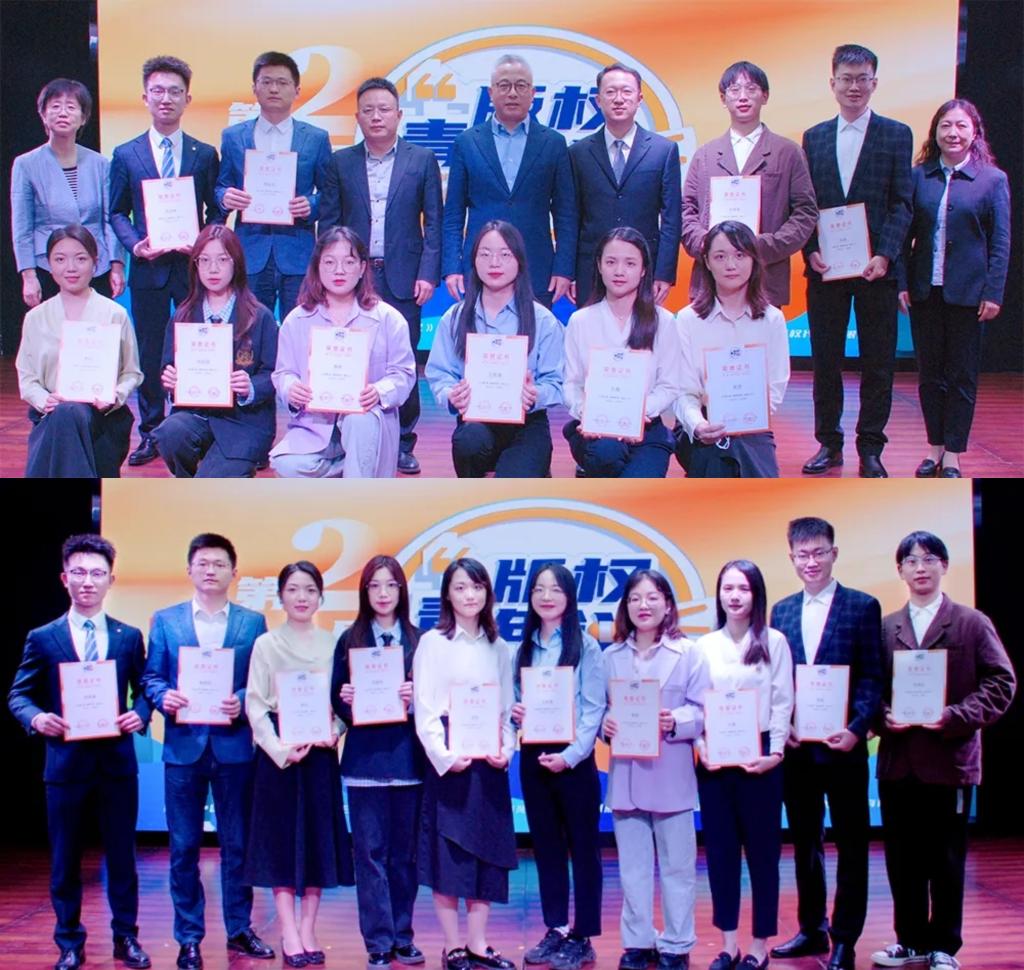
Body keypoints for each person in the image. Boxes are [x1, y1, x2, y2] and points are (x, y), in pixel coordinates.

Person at [872, 532, 1015, 970]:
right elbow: (869, 689)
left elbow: (1001, 683)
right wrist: (882, 715)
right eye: (911, 561)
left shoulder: (971, 623)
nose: (920, 568)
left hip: (948, 763)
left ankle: (944, 947)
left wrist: (954, 715)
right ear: (900, 570)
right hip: (898, 765)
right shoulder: (886, 627)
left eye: (929, 559)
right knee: (902, 860)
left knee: (946, 860)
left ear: (944, 566)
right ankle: (910, 940)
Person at [8, 534, 152, 970]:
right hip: (65, 764)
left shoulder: (129, 637)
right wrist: (36, 718)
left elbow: (146, 688)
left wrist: (140, 713)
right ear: (64, 578)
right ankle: (69, 941)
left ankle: (126, 937)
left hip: (116, 764)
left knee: (123, 857)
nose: (88, 581)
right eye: (79, 573)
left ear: (111, 580)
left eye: (97, 573)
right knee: (65, 859)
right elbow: (19, 694)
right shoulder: (43, 637)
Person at [140, 533, 275, 970]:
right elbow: (152, 677)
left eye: (219, 563)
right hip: (184, 749)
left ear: (234, 572)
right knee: (183, 848)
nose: (211, 570)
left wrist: (242, 698)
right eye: (203, 563)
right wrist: (164, 696)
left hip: (234, 748)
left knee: (238, 845)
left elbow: (262, 680)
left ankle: (239, 928)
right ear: (189, 570)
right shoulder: (166, 620)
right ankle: (189, 937)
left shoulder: (252, 623)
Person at [769, 518, 882, 970]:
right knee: (804, 842)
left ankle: (845, 938)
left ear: (834, 553)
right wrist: (784, 726)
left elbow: (872, 675)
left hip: (845, 748)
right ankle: (812, 927)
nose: (811, 561)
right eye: (803, 554)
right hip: (799, 751)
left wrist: (856, 728)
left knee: (852, 844)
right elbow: (777, 681)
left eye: (819, 552)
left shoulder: (862, 606)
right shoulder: (781, 611)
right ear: (791, 558)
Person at [319, 76, 443, 475]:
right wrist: (329, 273)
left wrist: (428, 274)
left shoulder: (421, 160)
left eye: (384, 109)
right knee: (347, 353)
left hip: (403, 274)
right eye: (368, 110)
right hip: (352, 276)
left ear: (398, 115)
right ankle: (340, 434)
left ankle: (403, 441)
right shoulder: (340, 162)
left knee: (401, 359)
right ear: (357, 117)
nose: (376, 116)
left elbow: (434, 223)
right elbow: (329, 222)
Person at [801, 44, 913, 479]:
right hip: (826, 269)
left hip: (877, 271)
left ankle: (871, 448)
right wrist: (810, 248)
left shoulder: (896, 134)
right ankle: (828, 444)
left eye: (862, 79)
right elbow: (805, 203)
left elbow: (902, 203)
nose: (854, 87)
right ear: (832, 84)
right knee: (825, 361)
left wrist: (885, 254)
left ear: (874, 83)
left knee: (878, 363)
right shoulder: (814, 137)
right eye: (846, 79)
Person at [109, 55, 221, 467]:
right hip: (149, 268)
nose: (166, 98)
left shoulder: (204, 154)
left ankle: (192, 425)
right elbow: (116, 211)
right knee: (152, 350)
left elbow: (217, 209)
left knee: (196, 347)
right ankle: (152, 431)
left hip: (194, 270)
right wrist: (135, 246)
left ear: (187, 98)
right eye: (158, 91)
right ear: (145, 97)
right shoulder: (126, 154)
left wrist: (205, 243)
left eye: (175, 91)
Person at [244, 561, 355, 967]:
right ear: (281, 596)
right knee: (281, 844)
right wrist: (278, 749)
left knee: (317, 842)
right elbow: (255, 704)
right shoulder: (266, 644)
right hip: (280, 757)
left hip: (320, 755)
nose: (302, 597)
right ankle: (289, 932)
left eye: (310, 589)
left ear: (321, 596)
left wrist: (336, 730)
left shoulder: (334, 643)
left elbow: (344, 700)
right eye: (293, 589)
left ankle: (308, 929)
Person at [601, 569, 711, 970]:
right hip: (626, 776)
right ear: (625, 607)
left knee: (678, 869)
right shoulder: (610, 657)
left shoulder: (689, 653)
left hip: (671, 774)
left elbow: (704, 711)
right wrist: (604, 725)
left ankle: (677, 945)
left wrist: (676, 720)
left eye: (652, 597)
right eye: (634, 598)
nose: (643, 605)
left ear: (667, 604)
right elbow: (599, 711)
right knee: (632, 870)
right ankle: (638, 942)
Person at [413, 558, 518, 970]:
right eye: (460, 587)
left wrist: (507, 749)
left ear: (487, 593)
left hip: (488, 763)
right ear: (447, 595)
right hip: (450, 762)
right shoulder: (432, 643)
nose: (469, 595)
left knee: (486, 854)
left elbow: (507, 709)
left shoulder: (499, 646)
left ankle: (478, 943)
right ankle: (453, 945)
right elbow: (424, 709)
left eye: (476, 587)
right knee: (448, 857)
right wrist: (443, 757)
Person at [897, 99, 1011, 479]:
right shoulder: (918, 177)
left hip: (969, 294)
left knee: (961, 377)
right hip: (925, 291)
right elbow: (904, 237)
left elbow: (1000, 242)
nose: (953, 133)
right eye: (946, 125)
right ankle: (934, 449)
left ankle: (953, 455)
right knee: (929, 375)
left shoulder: (992, 180)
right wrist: (901, 283)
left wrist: (993, 292)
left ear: (974, 132)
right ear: (935, 132)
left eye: (961, 126)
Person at [695, 560, 794, 970]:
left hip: (760, 759)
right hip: (715, 762)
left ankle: (758, 946)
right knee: (720, 855)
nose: (734, 596)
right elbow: (695, 703)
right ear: (718, 594)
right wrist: (700, 745)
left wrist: (775, 753)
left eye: (743, 588)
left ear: (757, 595)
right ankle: (728, 944)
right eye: (727, 588)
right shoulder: (704, 646)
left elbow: (782, 701)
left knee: (763, 856)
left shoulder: (774, 641)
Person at [331, 556, 426, 970]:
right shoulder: (348, 639)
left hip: (408, 761)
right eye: (374, 585)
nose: (383, 593)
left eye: (391, 585)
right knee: (369, 856)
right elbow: (335, 698)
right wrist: (346, 699)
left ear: (402, 591)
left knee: (404, 857)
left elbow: (435, 702)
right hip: (364, 763)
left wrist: (415, 697)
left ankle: (403, 936)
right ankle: (378, 941)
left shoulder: (420, 641)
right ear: (364, 591)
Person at [513, 564, 606, 970]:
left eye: (555, 589)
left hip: (575, 762)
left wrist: (569, 756)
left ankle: (582, 936)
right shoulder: (523, 649)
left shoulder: (587, 647)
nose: (546, 596)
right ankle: (556, 927)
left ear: (569, 597)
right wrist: (515, 712)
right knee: (546, 848)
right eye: (538, 589)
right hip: (533, 758)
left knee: (584, 849)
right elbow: (514, 703)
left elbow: (594, 709)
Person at [269, 226, 416, 477]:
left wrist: (379, 391)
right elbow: (284, 373)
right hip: (315, 427)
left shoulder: (388, 319)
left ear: (362, 268)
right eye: (329, 262)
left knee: (360, 419)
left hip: (368, 425)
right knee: (286, 466)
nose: (339, 270)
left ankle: (355, 489)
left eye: (349, 262)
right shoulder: (297, 320)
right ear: (317, 267)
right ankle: (346, 472)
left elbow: (404, 374)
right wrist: (291, 389)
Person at [426, 220, 564, 477]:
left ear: (519, 261)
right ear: (474, 261)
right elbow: (440, 374)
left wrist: (536, 394)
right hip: (475, 421)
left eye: (504, 255)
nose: (494, 263)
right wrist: (451, 394)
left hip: (527, 424)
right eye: (485, 254)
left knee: (514, 485)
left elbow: (557, 382)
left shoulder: (542, 319)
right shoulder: (454, 317)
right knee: (468, 441)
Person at [442, 54, 577, 309]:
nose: (512, 93)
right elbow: (453, 214)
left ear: (533, 93)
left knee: (535, 332)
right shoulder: (467, 142)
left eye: (521, 85)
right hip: (480, 268)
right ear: (491, 93)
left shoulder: (553, 143)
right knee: (479, 333)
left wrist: (564, 268)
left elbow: (566, 214)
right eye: (504, 85)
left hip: (537, 268)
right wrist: (452, 267)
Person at [681, 61, 817, 309]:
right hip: (710, 282)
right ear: (723, 98)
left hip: (766, 277)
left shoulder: (788, 152)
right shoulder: (705, 155)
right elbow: (686, 210)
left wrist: (766, 245)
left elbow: (806, 212)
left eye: (751, 88)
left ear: (765, 96)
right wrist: (704, 243)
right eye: (734, 90)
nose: (742, 96)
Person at [16, 224, 142, 478]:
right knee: (66, 412)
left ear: (95, 263)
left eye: (81, 259)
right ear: (49, 265)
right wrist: (43, 400)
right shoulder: (35, 318)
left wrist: (114, 397)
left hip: (102, 419)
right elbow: (27, 378)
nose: (71, 268)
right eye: (60, 259)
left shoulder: (115, 314)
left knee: (70, 412)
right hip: (51, 415)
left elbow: (132, 373)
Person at [153, 224, 278, 477]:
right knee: (169, 433)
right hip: (195, 415)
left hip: (244, 421)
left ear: (236, 264)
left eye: (222, 259)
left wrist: (250, 386)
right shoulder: (183, 316)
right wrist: (171, 381)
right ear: (195, 265)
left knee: (211, 482)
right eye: (204, 260)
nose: (213, 269)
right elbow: (168, 366)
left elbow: (274, 373)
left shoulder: (260, 316)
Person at [216, 51, 332, 321]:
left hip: (298, 251)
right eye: (266, 82)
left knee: (301, 326)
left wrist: (312, 205)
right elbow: (221, 185)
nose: (274, 89)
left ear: (297, 90)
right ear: (254, 88)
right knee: (249, 328)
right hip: (250, 250)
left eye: (282, 82)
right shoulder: (233, 137)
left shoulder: (315, 138)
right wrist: (225, 197)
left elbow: (330, 192)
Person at [563, 227, 682, 478]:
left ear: (643, 269)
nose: (619, 271)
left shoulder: (663, 321)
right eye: (611, 262)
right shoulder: (580, 321)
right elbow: (571, 384)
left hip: (646, 427)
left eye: (630, 263)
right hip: (595, 429)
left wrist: (639, 412)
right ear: (599, 265)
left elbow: (669, 386)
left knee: (640, 488)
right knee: (606, 452)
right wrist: (585, 411)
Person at [675, 221, 790, 478]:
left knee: (730, 455)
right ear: (706, 261)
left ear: (754, 260)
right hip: (700, 423)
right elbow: (683, 392)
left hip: (752, 423)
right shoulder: (687, 320)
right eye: (720, 256)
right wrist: (699, 425)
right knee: (722, 452)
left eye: (740, 255)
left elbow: (775, 385)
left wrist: (746, 417)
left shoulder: (772, 319)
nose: (730, 265)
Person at [569, 63, 681, 306]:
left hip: (644, 269)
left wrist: (664, 273)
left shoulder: (663, 151)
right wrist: (570, 272)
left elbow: (671, 220)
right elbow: (571, 216)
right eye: (610, 92)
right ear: (598, 100)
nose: (619, 99)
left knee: (642, 330)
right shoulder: (578, 153)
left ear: (639, 98)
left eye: (626, 91)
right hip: (591, 270)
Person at [11, 78, 125, 308]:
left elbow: (109, 219)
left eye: (71, 107)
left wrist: (117, 264)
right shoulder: (26, 164)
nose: (63, 113)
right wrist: (28, 275)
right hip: (48, 267)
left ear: (83, 118)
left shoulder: (101, 164)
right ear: (43, 114)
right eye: (55, 106)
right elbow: (22, 226)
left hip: (96, 266)